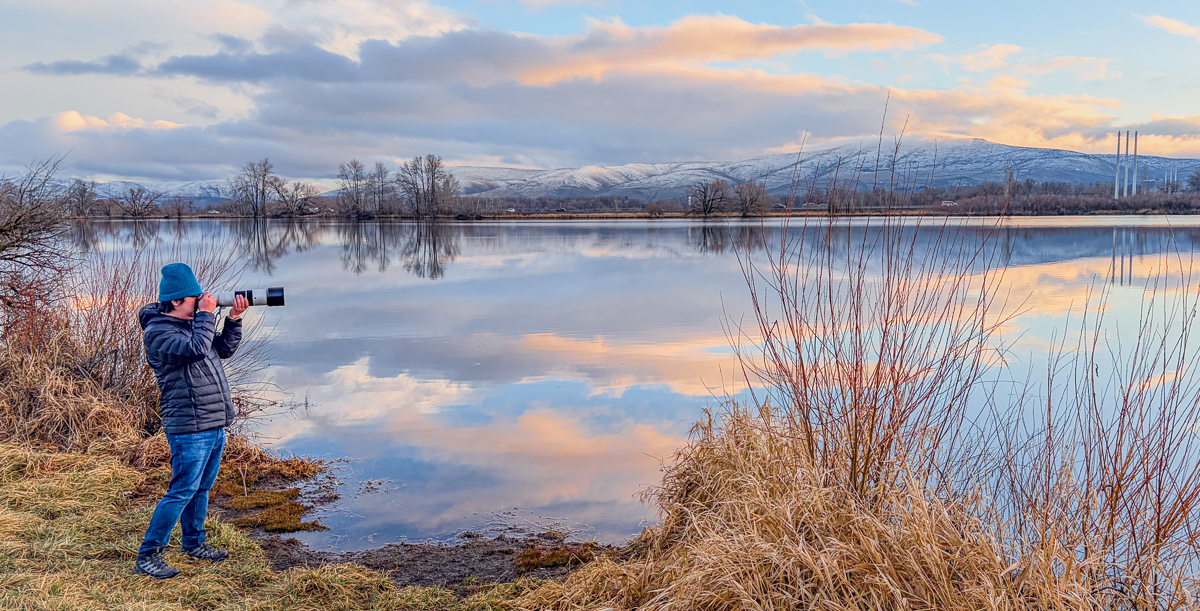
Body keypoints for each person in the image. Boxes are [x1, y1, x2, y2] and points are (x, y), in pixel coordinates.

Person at [133, 263, 249, 579]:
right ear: (174, 301)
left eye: (200, 298)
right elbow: (197, 349)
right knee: (182, 490)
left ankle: (194, 543)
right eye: (193, 299)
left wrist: (233, 319)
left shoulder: (192, 325)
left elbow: (221, 349)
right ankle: (148, 555)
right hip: (188, 426)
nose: (200, 303)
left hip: (212, 422)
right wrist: (207, 316)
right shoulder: (158, 332)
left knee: (201, 488)